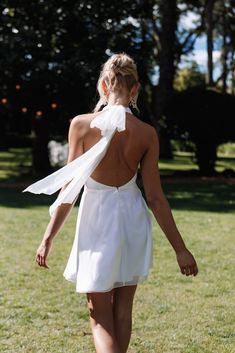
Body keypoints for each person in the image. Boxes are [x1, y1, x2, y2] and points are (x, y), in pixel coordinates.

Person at [28, 53, 198, 353]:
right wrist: (180, 250)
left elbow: (70, 190)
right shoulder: (147, 134)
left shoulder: (81, 125)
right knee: (122, 311)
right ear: (135, 90)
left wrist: (47, 238)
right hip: (132, 218)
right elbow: (156, 199)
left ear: (103, 86)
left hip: (97, 220)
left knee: (99, 316)